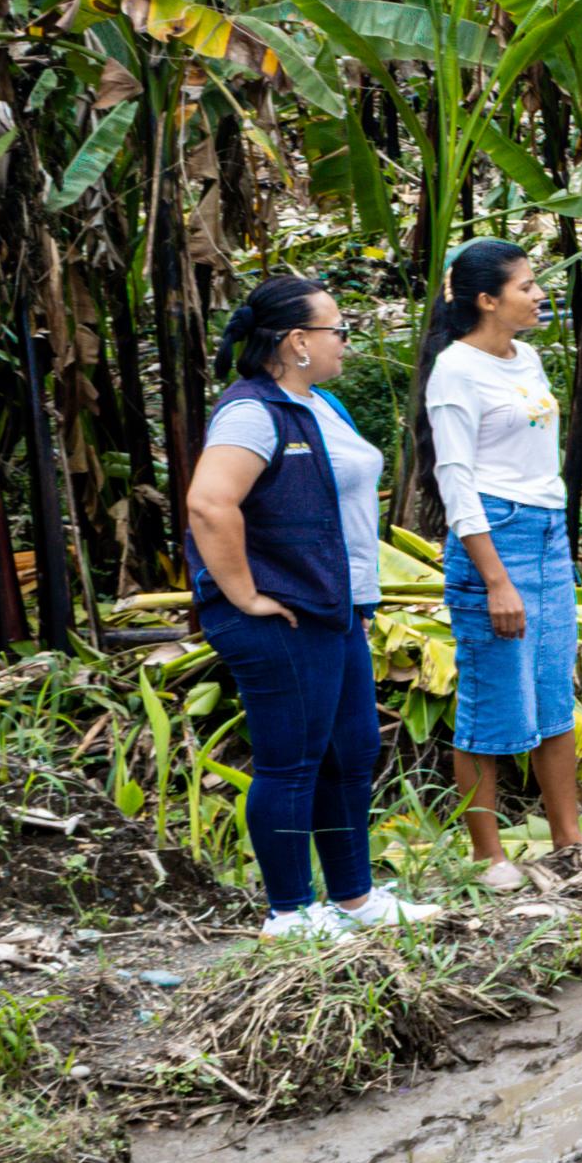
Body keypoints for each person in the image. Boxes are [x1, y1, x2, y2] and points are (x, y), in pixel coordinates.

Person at [180, 277, 427, 936]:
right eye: (336, 329)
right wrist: (243, 594)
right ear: (297, 341)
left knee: (351, 751)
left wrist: (358, 598)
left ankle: (354, 899)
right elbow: (210, 503)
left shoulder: (321, 405)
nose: (345, 340)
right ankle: (289, 912)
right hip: (282, 614)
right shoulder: (252, 412)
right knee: (291, 760)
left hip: (333, 608)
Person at [423, 240, 582, 870]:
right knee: (491, 702)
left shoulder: (528, 357)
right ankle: (490, 861)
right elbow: (456, 481)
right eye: (525, 286)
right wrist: (495, 580)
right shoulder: (455, 372)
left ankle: (569, 842)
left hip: (546, 534)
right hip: (494, 537)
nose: (539, 294)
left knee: (553, 692)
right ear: (488, 300)